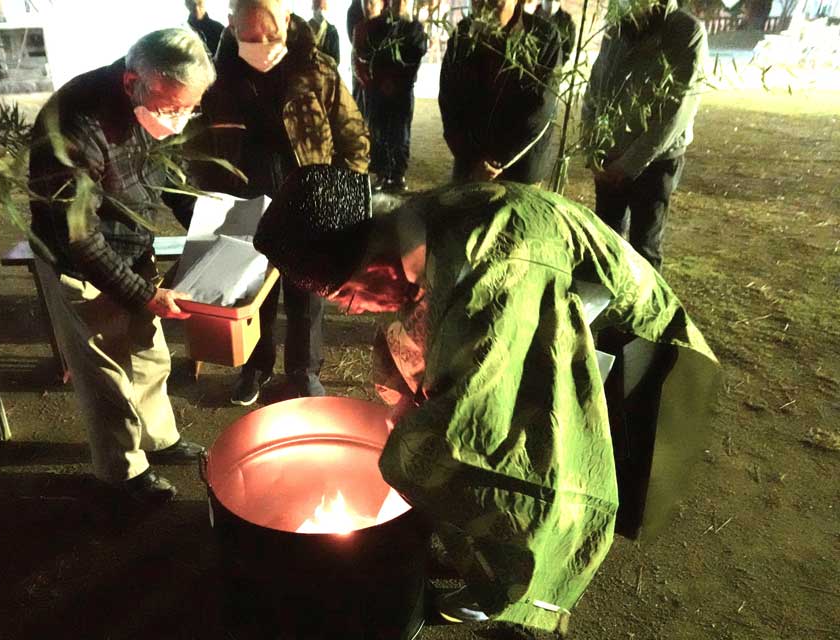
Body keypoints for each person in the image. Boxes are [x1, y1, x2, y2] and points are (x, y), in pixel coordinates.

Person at [252, 165, 719, 633]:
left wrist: (412, 446)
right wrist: (404, 403)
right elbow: (415, 337)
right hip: (540, 311)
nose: (357, 310)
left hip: (634, 355)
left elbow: (481, 409)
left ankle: (526, 596)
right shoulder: (410, 232)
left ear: (375, 263)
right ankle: (482, 560)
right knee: (423, 426)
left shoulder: (487, 261)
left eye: (350, 297)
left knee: (505, 456)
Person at [27, 29, 211, 503]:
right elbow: (78, 234)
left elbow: (169, 175)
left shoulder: (151, 106)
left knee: (149, 352)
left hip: (130, 245)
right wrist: (145, 293)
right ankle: (122, 473)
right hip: (80, 262)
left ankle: (159, 439)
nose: (181, 119)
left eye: (191, 107)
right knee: (105, 373)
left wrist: (212, 225)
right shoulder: (74, 124)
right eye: (173, 108)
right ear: (134, 81)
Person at [189, 0, 370, 406]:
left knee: (307, 297)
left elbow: (353, 136)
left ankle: (304, 372)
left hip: (308, 205)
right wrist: (209, 200)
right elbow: (199, 146)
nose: (263, 45)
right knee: (253, 294)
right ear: (232, 26)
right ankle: (254, 368)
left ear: (287, 22)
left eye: (271, 35)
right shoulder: (215, 79)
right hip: (246, 205)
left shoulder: (316, 69)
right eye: (251, 37)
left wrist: (339, 193)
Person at [582, 0, 707, 270]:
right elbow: (596, 87)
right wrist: (592, 148)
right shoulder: (617, 29)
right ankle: (605, 307)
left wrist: (627, 165)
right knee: (604, 243)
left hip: (654, 162)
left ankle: (646, 310)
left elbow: (676, 110)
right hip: (608, 157)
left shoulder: (685, 31)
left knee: (644, 248)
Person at [439, 0, 562, 185]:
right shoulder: (464, 34)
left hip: (520, 170)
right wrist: (471, 159)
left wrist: (499, 159)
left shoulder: (544, 36)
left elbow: (541, 107)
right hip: (470, 169)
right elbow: (449, 101)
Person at [353, 0, 427, 192]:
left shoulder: (414, 28)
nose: (400, 4)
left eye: (404, 1)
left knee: (401, 133)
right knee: (378, 130)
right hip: (378, 90)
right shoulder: (377, 26)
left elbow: (414, 59)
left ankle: (398, 174)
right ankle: (380, 172)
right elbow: (369, 55)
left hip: (402, 92)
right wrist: (378, 81)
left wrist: (397, 82)